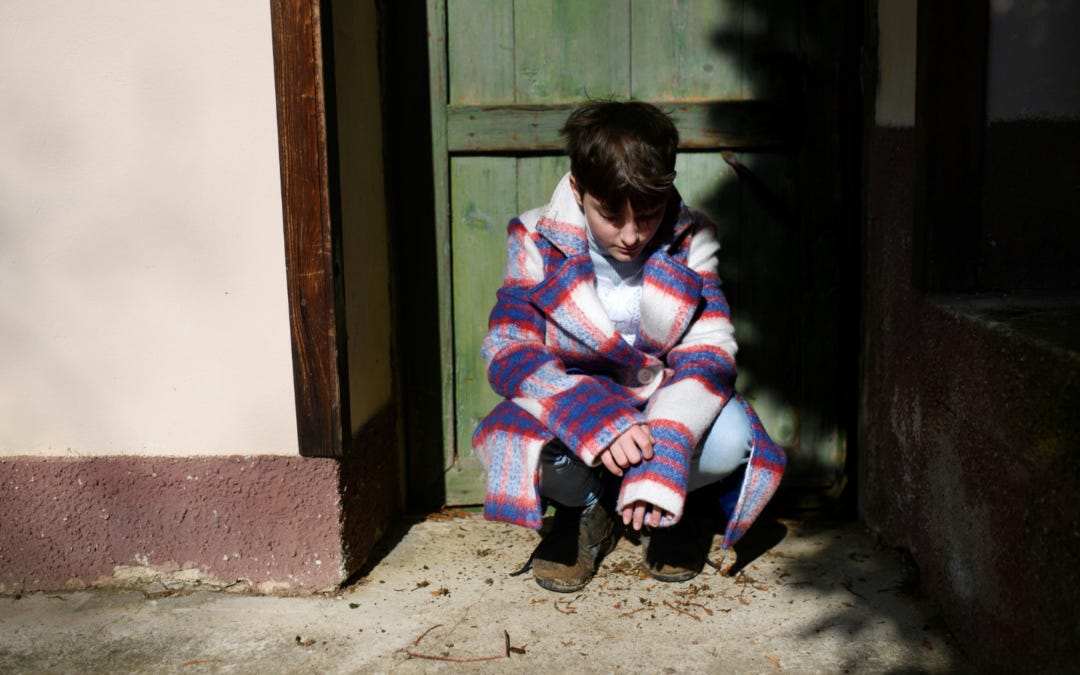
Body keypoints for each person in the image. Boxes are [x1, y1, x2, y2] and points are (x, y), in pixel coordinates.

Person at [472, 100, 786, 593]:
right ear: (578, 190)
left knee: (732, 440)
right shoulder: (535, 236)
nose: (632, 234)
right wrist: (590, 415)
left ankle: (674, 503)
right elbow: (509, 345)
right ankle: (587, 508)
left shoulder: (692, 237)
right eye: (610, 214)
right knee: (511, 440)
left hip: (665, 397)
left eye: (648, 212)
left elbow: (710, 349)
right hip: (575, 398)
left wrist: (667, 446)